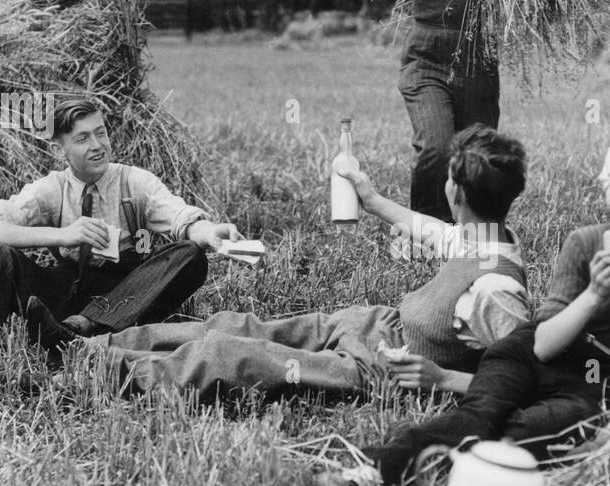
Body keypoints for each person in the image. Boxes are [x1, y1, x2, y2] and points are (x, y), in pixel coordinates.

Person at [334, 132, 610, 486]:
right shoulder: (586, 244)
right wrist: (594, 296)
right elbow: (542, 344)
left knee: (520, 434)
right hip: (539, 351)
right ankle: (365, 476)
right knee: (480, 416)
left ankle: (436, 459)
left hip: (602, 384)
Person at [88, 125, 531, 403]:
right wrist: (372, 199)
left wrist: (440, 378)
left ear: (456, 194)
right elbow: (429, 229)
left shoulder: (496, 292)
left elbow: (523, 378)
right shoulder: (484, 236)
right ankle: (92, 346)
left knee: (234, 355)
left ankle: (101, 371)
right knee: (238, 326)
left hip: (378, 370)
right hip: (375, 325)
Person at [0, 95, 240, 372]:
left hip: (123, 295)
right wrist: (61, 236)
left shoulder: (134, 181)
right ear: (62, 148)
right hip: (63, 293)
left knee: (189, 255)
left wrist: (211, 232)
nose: (97, 146)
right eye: (82, 139)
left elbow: (181, 217)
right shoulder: (51, 188)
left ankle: (76, 333)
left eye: (101, 133)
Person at [299, 0, 547, 220]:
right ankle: (425, 231)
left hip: (477, 60)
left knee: (479, 155)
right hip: (426, 59)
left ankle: (475, 231)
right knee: (435, 148)